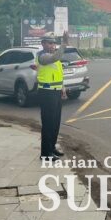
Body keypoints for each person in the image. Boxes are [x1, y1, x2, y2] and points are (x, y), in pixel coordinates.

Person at [37, 31, 69, 160]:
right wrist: (64, 44)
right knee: (48, 123)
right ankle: (45, 154)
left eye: (53, 43)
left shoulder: (54, 57)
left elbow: (59, 74)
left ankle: (52, 147)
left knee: (55, 122)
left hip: (56, 91)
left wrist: (62, 87)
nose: (52, 45)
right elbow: (55, 58)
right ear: (43, 44)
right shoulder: (42, 56)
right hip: (46, 93)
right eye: (49, 43)